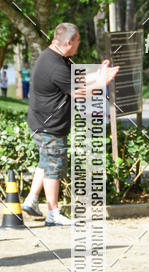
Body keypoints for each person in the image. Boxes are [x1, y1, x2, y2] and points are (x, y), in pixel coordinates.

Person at [22, 22, 119, 225]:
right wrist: (103, 82)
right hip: (49, 126)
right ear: (68, 42)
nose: (79, 45)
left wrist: (99, 75)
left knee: (46, 161)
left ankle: (31, 200)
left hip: (41, 122)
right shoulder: (55, 65)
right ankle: (53, 213)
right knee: (54, 167)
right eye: (78, 42)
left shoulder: (57, 57)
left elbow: (76, 78)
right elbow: (79, 91)